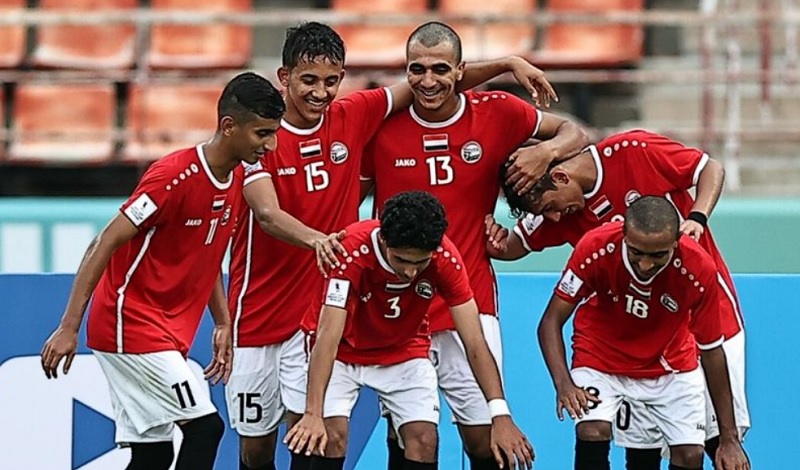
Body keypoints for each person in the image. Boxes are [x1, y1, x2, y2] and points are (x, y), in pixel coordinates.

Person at [225, 21, 559, 470]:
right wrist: (319, 240)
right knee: (256, 448)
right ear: (284, 78)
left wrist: (507, 64)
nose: (320, 93)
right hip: (261, 313)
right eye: (308, 81)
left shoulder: (355, 115)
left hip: (321, 312)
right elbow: (266, 214)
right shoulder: (262, 138)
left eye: (330, 81)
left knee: (315, 434)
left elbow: (431, 84)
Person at [358, 21, 588, 470]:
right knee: (410, 435)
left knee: (486, 438)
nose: (428, 81)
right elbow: (348, 205)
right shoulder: (381, 127)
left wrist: (545, 152)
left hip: (469, 298)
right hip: (398, 305)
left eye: (440, 69)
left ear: (460, 70)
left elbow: (575, 133)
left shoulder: (500, 113)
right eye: (416, 69)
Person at [38, 73, 285, 470]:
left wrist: (222, 322)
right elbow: (104, 242)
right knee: (206, 428)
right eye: (262, 133)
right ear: (228, 126)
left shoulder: (238, 179)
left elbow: (205, 256)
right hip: (129, 322)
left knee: (152, 455)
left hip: (167, 331)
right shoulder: (173, 176)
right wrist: (69, 327)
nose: (270, 145)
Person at [485, 129, 750, 467]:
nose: (552, 218)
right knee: (641, 446)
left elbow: (708, 168)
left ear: (561, 176)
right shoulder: (566, 217)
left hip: (706, 317)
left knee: (719, 441)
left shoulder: (633, 150)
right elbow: (512, 247)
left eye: (550, 207)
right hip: (638, 334)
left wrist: (696, 217)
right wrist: (488, 235)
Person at [284, 191, 534, 470]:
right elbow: (327, 337)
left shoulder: (445, 257)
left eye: (421, 262)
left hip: (404, 349)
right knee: (331, 438)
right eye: (402, 260)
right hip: (342, 351)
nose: (411, 272)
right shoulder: (350, 250)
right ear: (383, 240)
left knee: (424, 440)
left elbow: (474, 341)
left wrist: (500, 413)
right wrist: (313, 412)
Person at [537, 196, 749, 470]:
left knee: (689, 455)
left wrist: (729, 439)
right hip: (600, 357)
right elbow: (550, 321)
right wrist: (563, 383)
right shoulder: (595, 246)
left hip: (670, 364)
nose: (646, 264)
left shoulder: (698, 268)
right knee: (592, 430)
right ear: (623, 235)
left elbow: (711, 352)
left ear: (676, 242)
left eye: (658, 255)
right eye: (637, 252)